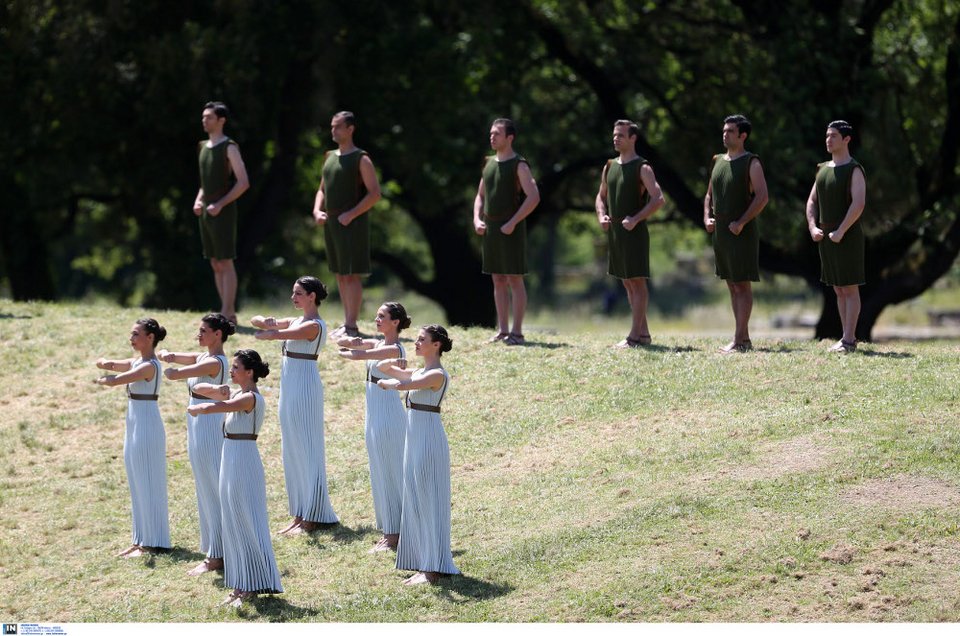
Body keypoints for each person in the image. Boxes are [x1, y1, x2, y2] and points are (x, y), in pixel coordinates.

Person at [188, 349, 283, 607]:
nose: (231, 371)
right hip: (230, 457)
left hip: (244, 461)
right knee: (231, 520)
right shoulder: (237, 392)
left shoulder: (250, 398)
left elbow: (226, 406)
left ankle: (251, 584)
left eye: (236, 368)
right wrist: (214, 391)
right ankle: (241, 585)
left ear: (249, 372)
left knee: (245, 520)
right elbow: (204, 388)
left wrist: (206, 407)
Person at [251, 276, 338, 534]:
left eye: (298, 293)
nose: (293, 297)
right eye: (293, 292)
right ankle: (300, 513)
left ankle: (314, 513)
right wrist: (263, 322)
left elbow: (277, 334)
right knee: (292, 449)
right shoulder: (296, 319)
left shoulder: (314, 325)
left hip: (305, 388)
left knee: (307, 448)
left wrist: (269, 330)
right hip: (289, 388)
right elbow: (258, 322)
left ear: (312, 296)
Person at [376, 324, 459, 585]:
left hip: (429, 440)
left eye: (422, 339)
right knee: (415, 496)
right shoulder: (421, 369)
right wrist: (389, 364)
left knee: (429, 498)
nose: (416, 342)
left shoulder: (436, 375)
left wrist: (390, 382)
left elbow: (405, 383)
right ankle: (425, 563)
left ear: (436, 345)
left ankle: (434, 567)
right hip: (414, 438)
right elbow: (388, 370)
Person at [158, 313, 234, 576]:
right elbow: (184, 358)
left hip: (209, 427)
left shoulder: (214, 362)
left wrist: (172, 370)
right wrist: (168, 354)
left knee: (212, 487)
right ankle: (217, 549)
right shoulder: (204, 356)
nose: (198, 335)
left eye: (204, 331)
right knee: (205, 486)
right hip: (198, 424)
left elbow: (180, 372)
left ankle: (219, 554)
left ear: (217, 335)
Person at [337, 302, 410, 553]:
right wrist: (347, 342)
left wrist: (352, 350)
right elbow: (356, 346)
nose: (376, 319)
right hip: (375, 416)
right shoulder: (379, 344)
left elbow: (360, 354)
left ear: (395, 322)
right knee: (379, 471)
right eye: (376, 316)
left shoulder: (393, 349)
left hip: (389, 417)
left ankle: (397, 534)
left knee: (391, 472)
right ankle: (390, 530)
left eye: (382, 316)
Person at [94, 318, 171, 558]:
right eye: (131, 334)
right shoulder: (137, 361)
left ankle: (152, 540)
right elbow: (117, 366)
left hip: (147, 424)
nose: (132, 338)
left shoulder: (149, 365)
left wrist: (108, 378)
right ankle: (140, 539)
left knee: (147, 480)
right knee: (136, 480)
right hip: (134, 422)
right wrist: (105, 363)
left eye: (136, 334)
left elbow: (120, 378)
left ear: (150, 338)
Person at [311, 111, 382, 338]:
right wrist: (316, 210)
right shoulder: (329, 157)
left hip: (352, 224)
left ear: (350, 129)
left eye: (338, 127)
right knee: (340, 274)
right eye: (332, 127)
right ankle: (346, 322)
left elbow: (374, 194)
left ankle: (352, 326)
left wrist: (352, 214)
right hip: (332, 223)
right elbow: (321, 190)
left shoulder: (361, 158)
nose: (333, 131)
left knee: (351, 274)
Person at [595, 119, 665, 348]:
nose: (616, 139)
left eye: (621, 135)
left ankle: (634, 336)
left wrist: (635, 219)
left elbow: (658, 199)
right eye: (614, 135)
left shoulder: (642, 167)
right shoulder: (609, 166)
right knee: (626, 283)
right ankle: (643, 334)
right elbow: (600, 196)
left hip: (634, 232)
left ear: (633, 138)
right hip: (615, 232)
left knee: (637, 282)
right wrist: (601, 215)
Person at [703, 114, 769, 353]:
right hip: (721, 232)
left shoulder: (752, 163)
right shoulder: (717, 161)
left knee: (742, 284)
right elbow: (709, 195)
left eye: (730, 131)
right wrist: (706, 217)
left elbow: (762, 197)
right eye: (724, 130)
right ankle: (743, 338)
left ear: (743, 135)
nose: (725, 134)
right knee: (732, 284)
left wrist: (741, 222)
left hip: (741, 231)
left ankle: (739, 339)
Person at [473, 118, 540, 345]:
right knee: (497, 279)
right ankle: (502, 331)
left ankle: (517, 333)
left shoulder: (519, 165)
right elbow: (480, 196)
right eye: (491, 133)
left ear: (510, 137)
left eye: (497, 134)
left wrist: (513, 222)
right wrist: (476, 219)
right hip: (491, 228)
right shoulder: (488, 163)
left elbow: (533, 197)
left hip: (511, 229)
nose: (492, 137)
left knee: (514, 279)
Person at [805, 120, 867, 353]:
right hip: (828, 237)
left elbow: (858, 204)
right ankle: (845, 337)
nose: (828, 140)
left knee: (849, 288)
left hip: (847, 236)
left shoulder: (854, 169)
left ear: (846, 139)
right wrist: (812, 227)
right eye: (827, 136)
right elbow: (812, 201)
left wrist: (841, 230)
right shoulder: (822, 169)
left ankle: (849, 340)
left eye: (833, 136)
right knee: (838, 289)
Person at [194, 101, 249, 324]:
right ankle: (225, 310)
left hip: (223, 211)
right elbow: (204, 183)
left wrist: (221, 203)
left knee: (226, 261)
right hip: (207, 210)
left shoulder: (229, 147)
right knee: (215, 262)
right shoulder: (202, 147)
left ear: (221, 120)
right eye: (203, 117)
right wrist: (199, 200)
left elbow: (243, 182)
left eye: (209, 117)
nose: (204, 120)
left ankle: (228, 312)